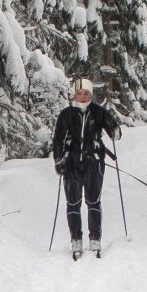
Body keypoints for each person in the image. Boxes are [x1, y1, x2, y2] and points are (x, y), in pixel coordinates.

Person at [50, 76, 122, 259]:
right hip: (71, 163)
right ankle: (76, 241)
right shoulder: (66, 114)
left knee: (93, 201)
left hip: (93, 162)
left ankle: (95, 240)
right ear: (74, 94)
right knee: (73, 202)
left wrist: (114, 130)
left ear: (91, 94)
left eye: (86, 93)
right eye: (79, 93)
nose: (82, 97)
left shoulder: (98, 112)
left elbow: (116, 132)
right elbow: (57, 139)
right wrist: (58, 160)